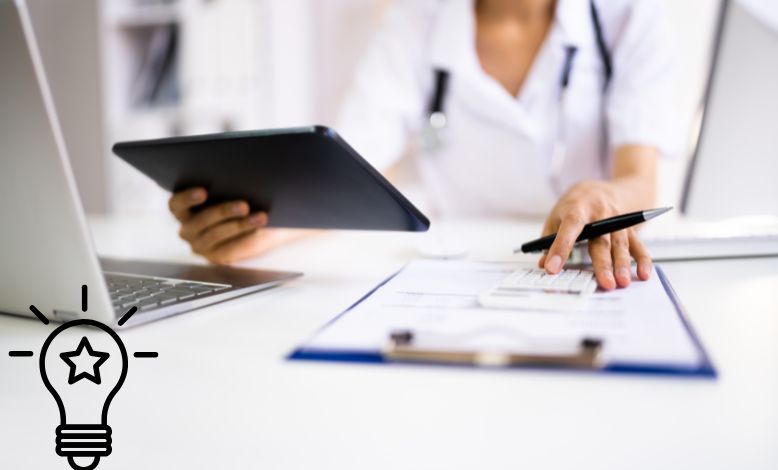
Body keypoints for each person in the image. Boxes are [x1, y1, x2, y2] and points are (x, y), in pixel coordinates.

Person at [168, 0, 678, 291]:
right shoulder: (418, 18)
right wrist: (257, 229)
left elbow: (639, 177)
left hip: (586, 272)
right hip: (459, 273)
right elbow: (350, 170)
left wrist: (602, 197)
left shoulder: (630, 15)